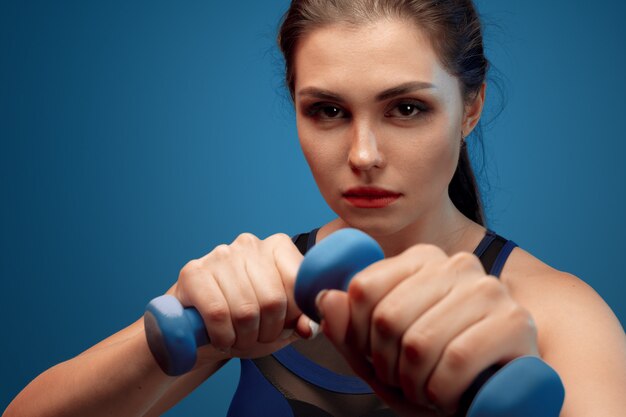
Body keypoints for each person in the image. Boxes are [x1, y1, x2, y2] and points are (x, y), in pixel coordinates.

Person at [4, 0, 625, 416]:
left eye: (406, 108)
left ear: (470, 107)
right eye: (327, 110)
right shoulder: (259, 290)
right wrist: (180, 327)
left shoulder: (559, 313)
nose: (363, 154)